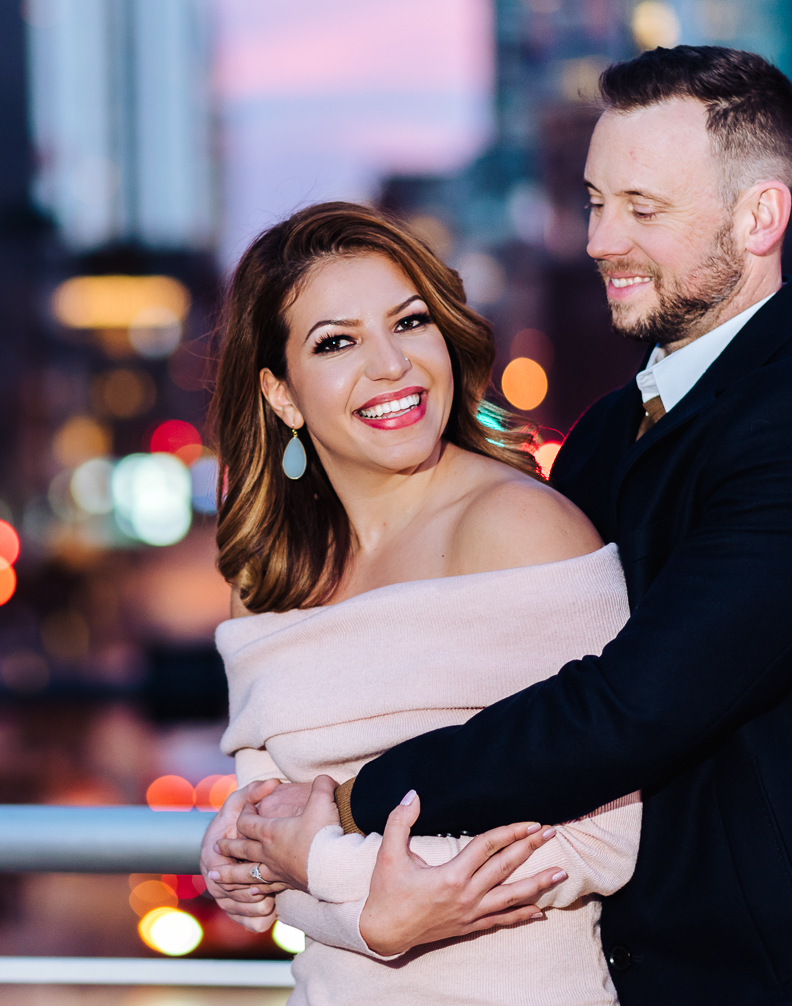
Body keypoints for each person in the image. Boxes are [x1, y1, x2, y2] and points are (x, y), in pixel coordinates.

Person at [204, 46, 792, 1005]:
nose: (599, 239)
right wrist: (271, 847)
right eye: (596, 202)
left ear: (759, 216)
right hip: (640, 966)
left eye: (643, 208)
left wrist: (345, 810)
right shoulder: (608, 433)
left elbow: (628, 708)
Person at [202, 200, 644, 1005]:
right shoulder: (269, 571)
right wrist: (238, 853)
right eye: (336, 342)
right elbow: (270, 830)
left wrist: (344, 880)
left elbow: (612, 829)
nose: (391, 366)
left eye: (409, 324)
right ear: (281, 395)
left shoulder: (518, 527)